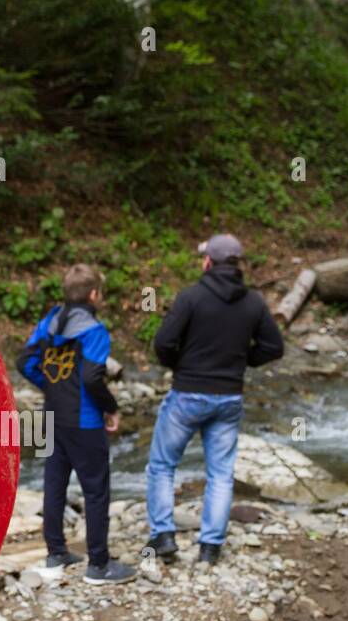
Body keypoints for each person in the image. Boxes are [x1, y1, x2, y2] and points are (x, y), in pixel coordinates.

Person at [143, 235, 284, 565]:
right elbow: (274, 347)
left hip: (187, 395)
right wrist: (243, 360)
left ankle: (163, 537)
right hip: (229, 397)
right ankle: (210, 547)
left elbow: (163, 343)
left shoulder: (191, 298)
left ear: (208, 263)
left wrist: (180, 365)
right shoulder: (253, 303)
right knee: (220, 473)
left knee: (162, 465)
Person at [19, 264, 135, 585]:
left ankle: (56, 552)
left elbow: (24, 361)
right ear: (94, 294)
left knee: (54, 484)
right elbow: (91, 377)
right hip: (83, 421)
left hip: (52, 416)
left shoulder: (49, 322)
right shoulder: (94, 331)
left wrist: (49, 385)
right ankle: (98, 565)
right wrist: (110, 408)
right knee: (96, 490)